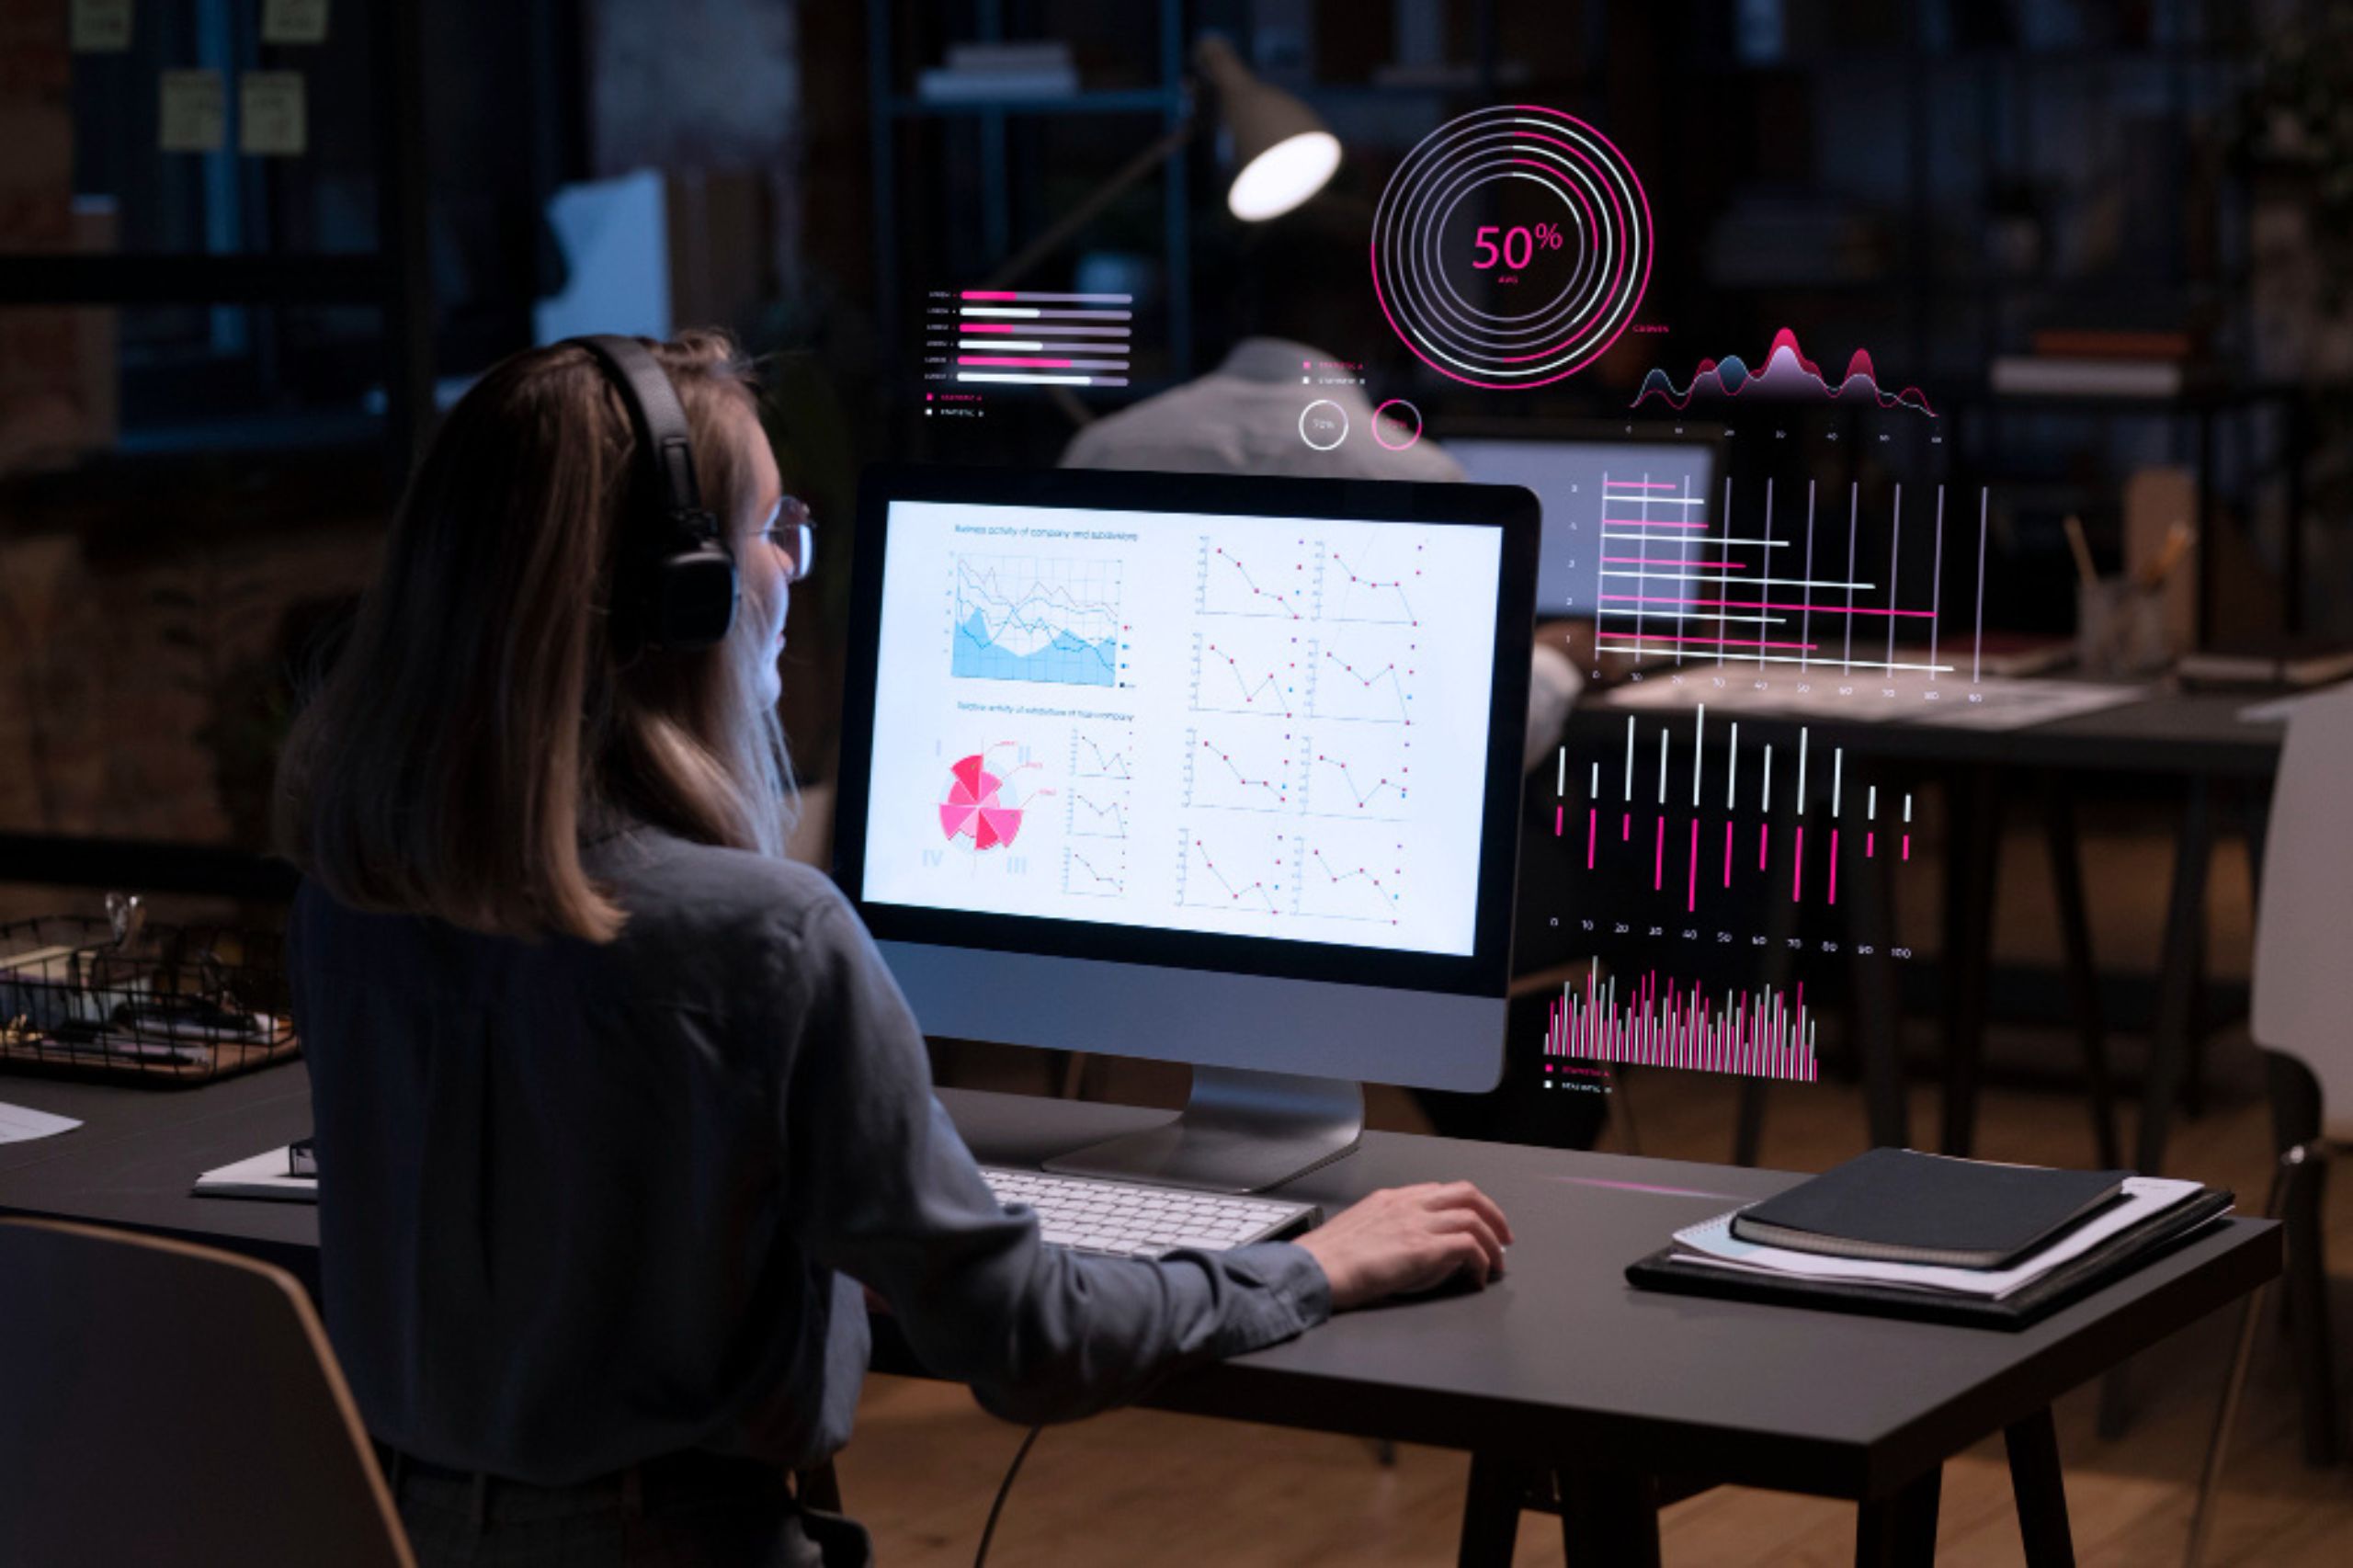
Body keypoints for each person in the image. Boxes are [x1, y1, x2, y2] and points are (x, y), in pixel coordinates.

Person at [274, 331, 1514, 1567]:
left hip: (399, 1531)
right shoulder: (770, 941)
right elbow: (1027, 1340)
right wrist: (1313, 1265)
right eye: (773, 529)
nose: (794, 571)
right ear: (685, 591)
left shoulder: (351, 906)